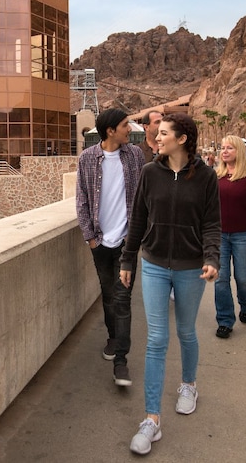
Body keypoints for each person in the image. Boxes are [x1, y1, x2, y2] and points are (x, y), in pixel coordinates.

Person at [119, 113, 221, 455]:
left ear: (181, 138)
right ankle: (151, 420)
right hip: (155, 265)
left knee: (187, 332)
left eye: (162, 133)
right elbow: (137, 219)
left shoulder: (206, 177)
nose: (156, 137)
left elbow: (211, 223)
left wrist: (212, 259)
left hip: (192, 267)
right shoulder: (150, 173)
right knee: (156, 339)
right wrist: (128, 259)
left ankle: (189, 385)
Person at [76, 108, 144, 387]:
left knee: (123, 299)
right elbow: (81, 200)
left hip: (127, 243)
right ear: (110, 131)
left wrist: (137, 236)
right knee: (108, 295)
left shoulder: (136, 156)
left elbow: (142, 198)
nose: (130, 129)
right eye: (125, 125)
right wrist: (90, 238)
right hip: (100, 242)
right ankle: (113, 338)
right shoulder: (88, 159)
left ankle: (121, 361)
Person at [213, 134, 246, 339]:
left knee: (243, 278)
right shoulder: (216, 175)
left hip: (244, 234)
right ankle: (225, 320)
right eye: (222, 147)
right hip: (219, 235)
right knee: (220, 279)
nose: (224, 151)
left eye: (229, 148)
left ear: (239, 151)